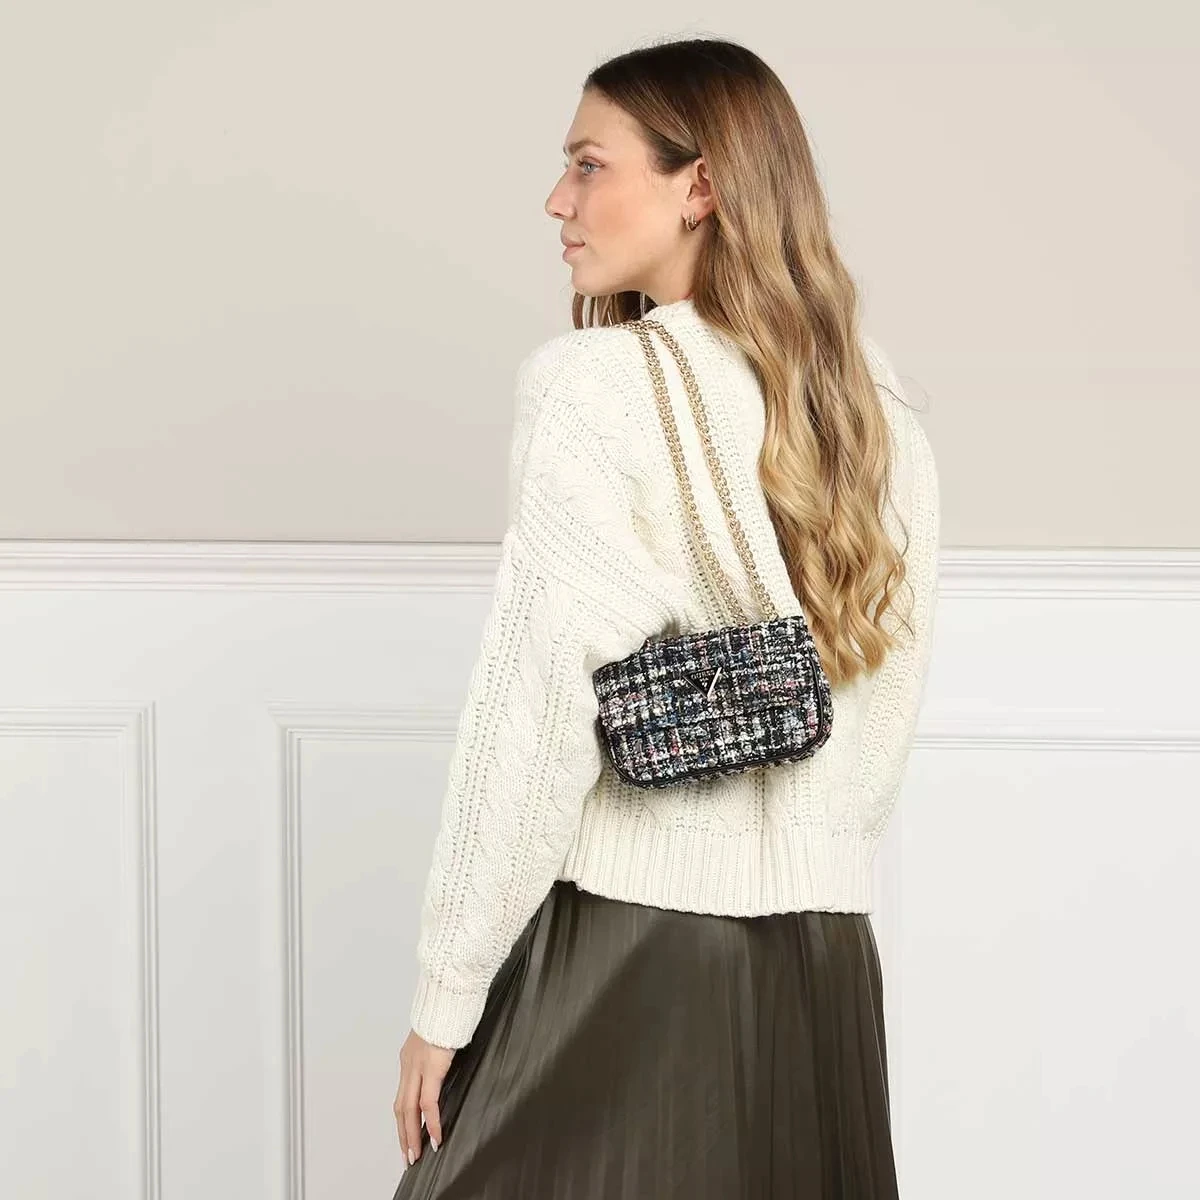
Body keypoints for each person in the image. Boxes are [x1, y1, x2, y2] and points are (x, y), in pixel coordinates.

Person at [391, 35, 939, 1200]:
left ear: (700, 187)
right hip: (826, 962)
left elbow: (536, 716)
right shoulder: (872, 398)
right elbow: (886, 696)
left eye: (589, 164)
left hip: (631, 945)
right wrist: (809, 854)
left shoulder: (592, 387)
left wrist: (448, 995)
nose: (558, 199)